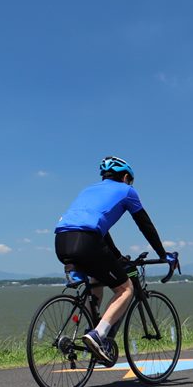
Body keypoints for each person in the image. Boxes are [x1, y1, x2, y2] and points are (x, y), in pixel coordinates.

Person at [54, 156, 177, 367]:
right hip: (88, 241)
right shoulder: (127, 191)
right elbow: (145, 225)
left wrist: (117, 257)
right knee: (125, 289)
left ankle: (83, 332)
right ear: (126, 177)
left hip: (62, 240)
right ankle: (98, 335)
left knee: (96, 282)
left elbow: (100, 230)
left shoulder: (88, 190)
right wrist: (163, 253)